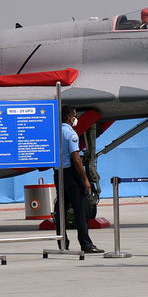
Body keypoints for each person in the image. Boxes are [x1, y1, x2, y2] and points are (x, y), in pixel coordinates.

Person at [51, 107, 102, 254]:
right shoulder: (70, 133)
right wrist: (85, 180)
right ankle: (85, 243)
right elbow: (76, 158)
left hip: (58, 173)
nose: (76, 118)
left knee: (61, 209)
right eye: (74, 116)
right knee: (81, 209)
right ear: (69, 118)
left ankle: (62, 243)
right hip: (71, 174)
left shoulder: (54, 132)